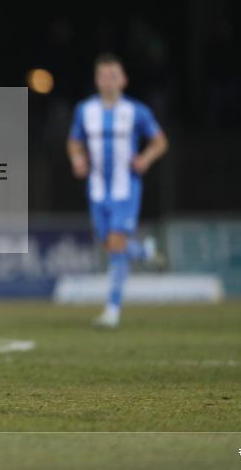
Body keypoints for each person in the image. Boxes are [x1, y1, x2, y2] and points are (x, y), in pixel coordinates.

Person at [67, 53, 169, 328]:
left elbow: (160, 141)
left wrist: (145, 159)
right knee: (111, 244)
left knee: (116, 245)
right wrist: (77, 159)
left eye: (113, 75)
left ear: (123, 80)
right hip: (97, 189)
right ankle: (144, 252)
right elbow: (74, 141)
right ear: (96, 80)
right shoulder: (85, 110)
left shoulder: (137, 111)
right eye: (103, 75)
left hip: (126, 189)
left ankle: (112, 309)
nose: (108, 80)